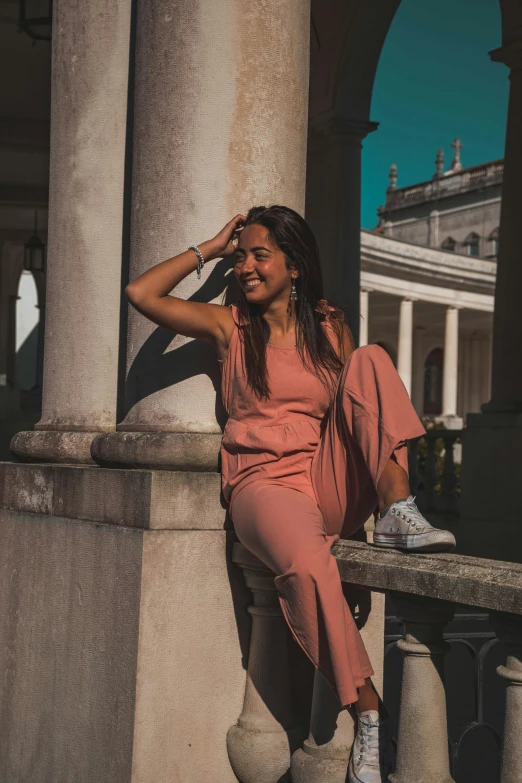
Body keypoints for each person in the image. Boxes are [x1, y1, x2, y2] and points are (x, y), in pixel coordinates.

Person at [126, 205, 456, 783]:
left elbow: (363, 411)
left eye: (260, 255)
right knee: (307, 566)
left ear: (295, 265)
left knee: (372, 361)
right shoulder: (231, 327)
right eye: (243, 255)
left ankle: (398, 508)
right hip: (264, 485)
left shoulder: (331, 330)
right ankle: (369, 714)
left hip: (325, 475)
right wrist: (210, 247)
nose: (247, 266)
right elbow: (142, 292)